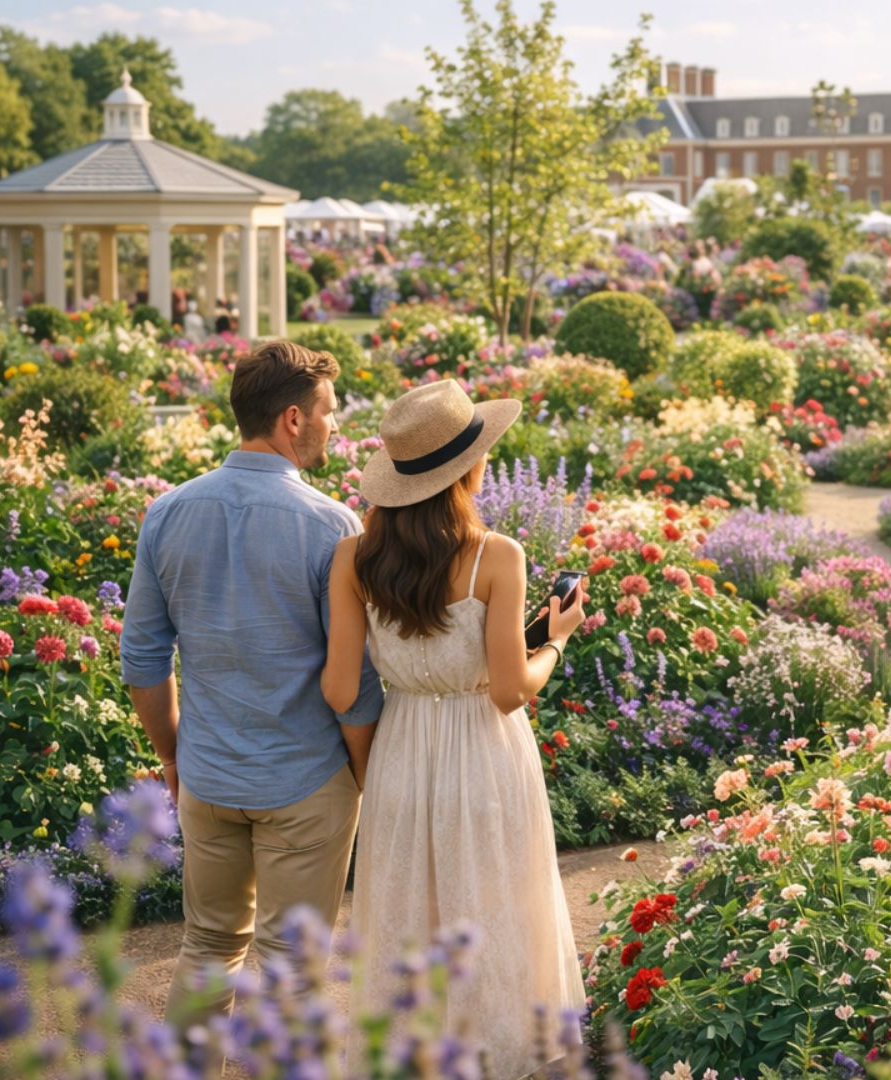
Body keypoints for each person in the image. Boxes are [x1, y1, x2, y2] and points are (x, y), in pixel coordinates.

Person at [120, 341, 385, 1032]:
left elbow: (142, 660)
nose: (335, 425)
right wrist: (366, 776)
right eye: (328, 411)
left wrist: (176, 758)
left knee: (205, 948)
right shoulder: (331, 526)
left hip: (207, 779)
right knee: (293, 971)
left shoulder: (167, 513)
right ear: (292, 419)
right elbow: (350, 682)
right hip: (306, 782)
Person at [326, 380, 586, 1076]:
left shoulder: (353, 558)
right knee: (496, 903)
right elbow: (509, 691)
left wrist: (368, 762)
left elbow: (341, 686)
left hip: (402, 752)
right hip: (485, 751)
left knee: (408, 912)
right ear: (466, 470)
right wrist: (556, 640)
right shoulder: (495, 555)